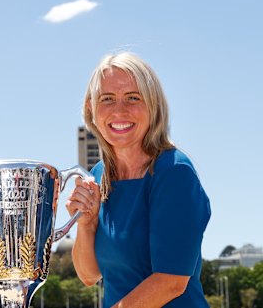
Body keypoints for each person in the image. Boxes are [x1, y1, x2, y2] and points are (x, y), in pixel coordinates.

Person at [67, 52, 211, 307]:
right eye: (107, 99)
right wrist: (86, 225)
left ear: (153, 105)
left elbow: (171, 281)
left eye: (133, 98)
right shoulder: (98, 176)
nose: (119, 110)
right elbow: (90, 276)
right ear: (91, 108)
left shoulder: (174, 172)